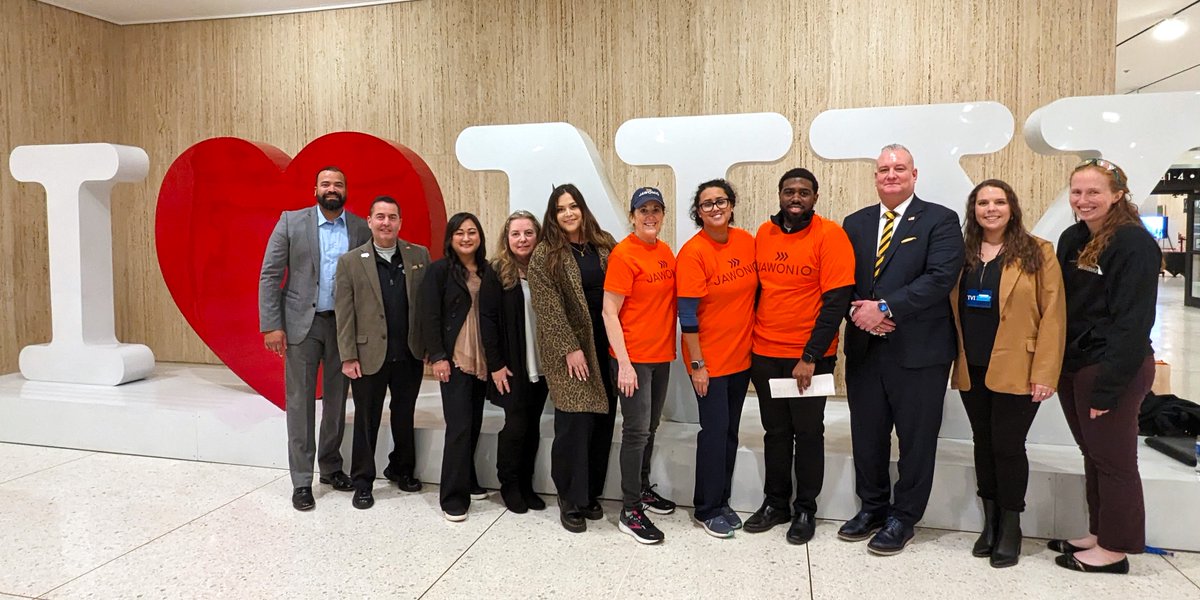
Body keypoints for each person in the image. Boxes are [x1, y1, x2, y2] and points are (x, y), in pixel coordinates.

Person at [839, 144, 965, 555]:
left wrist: (885, 308)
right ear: (875, 177)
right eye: (883, 169)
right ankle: (872, 508)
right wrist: (859, 312)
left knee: (916, 440)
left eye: (899, 168)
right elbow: (841, 280)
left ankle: (903, 517)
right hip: (865, 349)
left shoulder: (941, 220)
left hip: (919, 352)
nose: (890, 175)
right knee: (867, 436)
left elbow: (940, 277)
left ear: (914, 174)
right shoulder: (855, 223)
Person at [1050, 158, 1159, 575]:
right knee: (1093, 453)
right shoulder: (1073, 237)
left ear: (1117, 194)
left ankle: (1116, 549)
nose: (1083, 200)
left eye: (1094, 192)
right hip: (1077, 364)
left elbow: (1133, 322)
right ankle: (1100, 532)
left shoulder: (1133, 244)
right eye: (1077, 192)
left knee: (1115, 461)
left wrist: (1109, 387)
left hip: (1113, 367)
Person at [948, 180, 1065, 567]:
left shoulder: (1037, 251)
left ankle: (1011, 525)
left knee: (1008, 445)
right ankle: (991, 522)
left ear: (1012, 207)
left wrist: (1045, 372)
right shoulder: (963, 253)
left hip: (1020, 366)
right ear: (974, 210)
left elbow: (1054, 315)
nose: (991, 209)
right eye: (983, 202)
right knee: (983, 442)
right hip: (973, 366)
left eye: (999, 201)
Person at [745, 168, 855, 545]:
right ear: (779, 194)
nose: (796, 198)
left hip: (810, 359)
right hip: (765, 354)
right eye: (789, 191)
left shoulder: (830, 235)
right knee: (775, 432)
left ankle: (805, 508)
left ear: (815, 198)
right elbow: (758, 291)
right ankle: (776, 503)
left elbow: (836, 302)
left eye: (803, 192)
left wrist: (809, 356)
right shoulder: (764, 233)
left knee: (808, 433)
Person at [259, 166, 370, 511]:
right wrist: (271, 325)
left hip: (343, 328)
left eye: (338, 184)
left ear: (346, 190)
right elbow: (270, 274)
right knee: (300, 403)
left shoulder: (359, 228)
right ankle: (302, 481)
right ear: (315, 190)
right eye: (326, 184)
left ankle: (331, 467)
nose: (332, 188)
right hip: (301, 326)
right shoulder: (291, 222)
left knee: (337, 402)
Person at [527, 183, 618, 534]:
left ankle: (591, 493)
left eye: (573, 206)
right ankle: (570, 499)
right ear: (553, 215)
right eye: (561, 208)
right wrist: (570, 347)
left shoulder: (604, 243)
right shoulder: (545, 254)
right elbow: (547, 308)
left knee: (601, 422)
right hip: (569, 350)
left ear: (583, 208)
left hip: (605, 344)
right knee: (574, 425)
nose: (568, 213)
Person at [334, 195, 431, 510]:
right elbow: (344, 314)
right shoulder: (350, 261)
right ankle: (363, 481)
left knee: (404, 415)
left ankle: (401, 469)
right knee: (367, 419)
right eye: (380, 217)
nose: (386, 223)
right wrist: (348, 355)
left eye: (392, 217)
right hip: (367, 355)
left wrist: (429, 346)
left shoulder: (419, 255)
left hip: (409, 352)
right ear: (370, 221)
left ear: (400, 222)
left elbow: (427, 306)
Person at [675, 179, 757, 539]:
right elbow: (687, 316)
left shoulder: (746, 242)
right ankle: (706, 508)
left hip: (741, 358)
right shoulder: (693, 253)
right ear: (699, 212)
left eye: (720, 201)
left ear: (732, 205)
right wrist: (697, 366)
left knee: (729, 432)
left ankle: (722, 500)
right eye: (707, 204)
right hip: (708, 361)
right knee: (714, 432)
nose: (715, 208)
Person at [602, 186, 678, 545]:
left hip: (661, 356)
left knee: (650, 427)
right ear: (632, 216)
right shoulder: (623, 254)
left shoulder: (665, 252)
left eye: (655, 209)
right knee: (635, 432)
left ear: (662, 215)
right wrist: (625, 364)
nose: (650, 216)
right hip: (633, 360)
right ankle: (630, 510)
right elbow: (609, 312)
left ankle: (643, 489)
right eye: (643, 210)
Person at [421, 212, 501, 522]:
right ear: (450, 238)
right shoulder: (439, 271)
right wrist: (438, 356)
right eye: (459, 233)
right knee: (459, 426)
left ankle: (467, 478)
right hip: (454, 358)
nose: (466, 238)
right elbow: (429, 315)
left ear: (480, 236)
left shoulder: (489, 271)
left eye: (471, 232)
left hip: (483, 356)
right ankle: (452, 497)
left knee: (474, 421)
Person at [480, 210, 550, 514]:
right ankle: (509, 484)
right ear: (506, 239)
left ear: (538, 236)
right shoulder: (496, 272)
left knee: (532, 426)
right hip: (511, 366)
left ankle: (526, 484)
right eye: (516, 234)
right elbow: (487, 321)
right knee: (515, 426)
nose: (522, 239)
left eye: (528, 233)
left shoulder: (546, 270)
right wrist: (495, 365)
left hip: (542, 366)